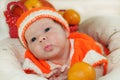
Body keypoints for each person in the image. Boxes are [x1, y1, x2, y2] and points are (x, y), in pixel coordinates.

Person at [16, 7, 108, 80]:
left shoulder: (83, 48)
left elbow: (99, 68)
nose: (41, 38)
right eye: (33, 39)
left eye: (47, 29)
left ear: (65, 31)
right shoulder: (35, 64)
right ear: (30, 49)